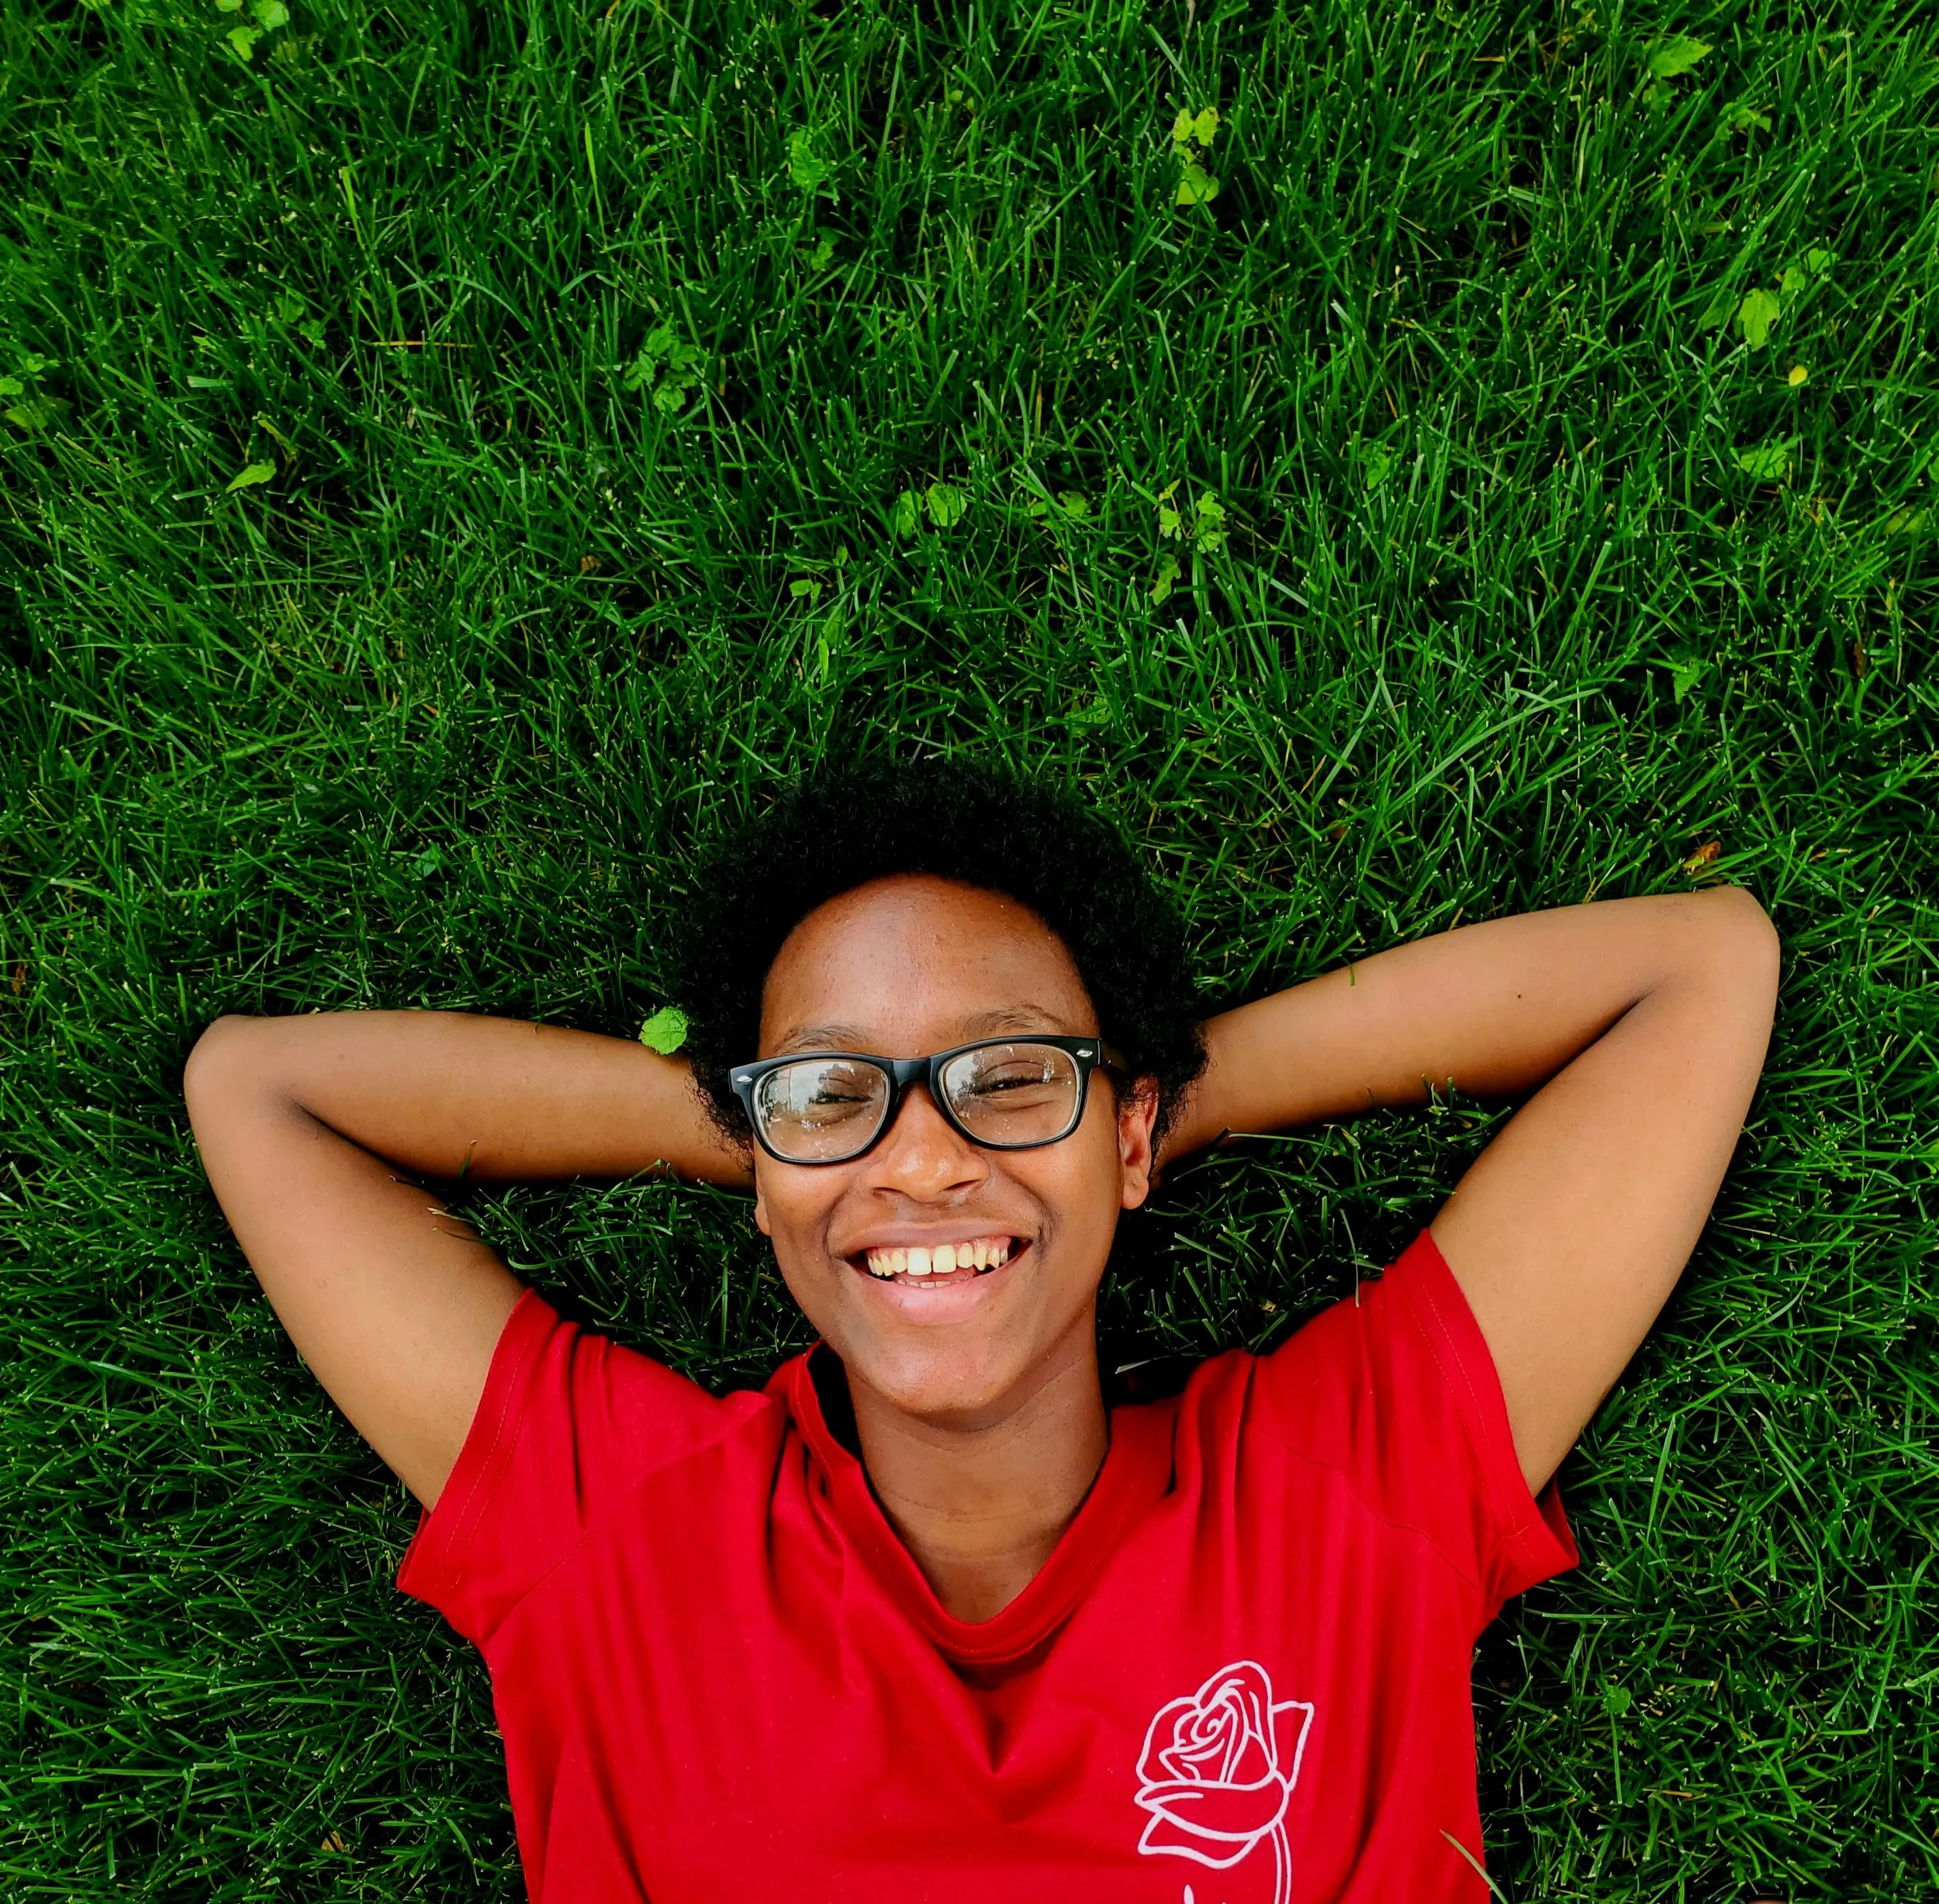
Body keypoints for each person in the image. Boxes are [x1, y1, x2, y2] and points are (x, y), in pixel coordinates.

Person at [183, 763, 1779, 1902]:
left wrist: (1117, 1108)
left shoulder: (1340, 1495)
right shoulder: (624, 1541)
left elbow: (1695, 968)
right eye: (831, 1088)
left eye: (1006, 1077)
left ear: (1134, 1135)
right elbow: (260, 1093)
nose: (924, 1156)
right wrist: (799, 1148)